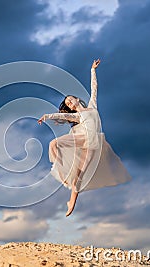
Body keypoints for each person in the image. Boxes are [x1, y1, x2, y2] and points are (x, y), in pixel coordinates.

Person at [38, 59, 132, 217]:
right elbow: (63, 115)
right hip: (80, 139)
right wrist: (47, 116)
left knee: (80, 176)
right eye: (67, 103)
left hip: (92, 145)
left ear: (77, 99)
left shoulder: (91, 106)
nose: (69, 103)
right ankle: (59, 168)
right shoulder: (77, 116)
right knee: (54, 144)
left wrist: (92, 70)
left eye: (70, 100)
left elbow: (94, 88)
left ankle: (71, 202)